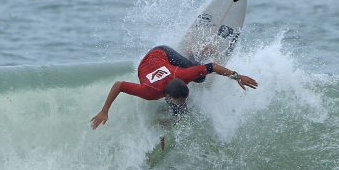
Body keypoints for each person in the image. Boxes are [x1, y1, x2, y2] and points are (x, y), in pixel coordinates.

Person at [90, 45, 258, 129]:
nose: (182, 101)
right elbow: (119, 85)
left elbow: (212, 66)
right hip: (151, 57)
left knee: (200, 78)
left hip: (165, 54)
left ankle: (193, 50)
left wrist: (237, 77)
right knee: (181, 112)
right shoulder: (149, 92)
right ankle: (170, 119)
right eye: (178, 100)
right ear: (167, 97)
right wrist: (104, 110)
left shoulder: (183, 75)